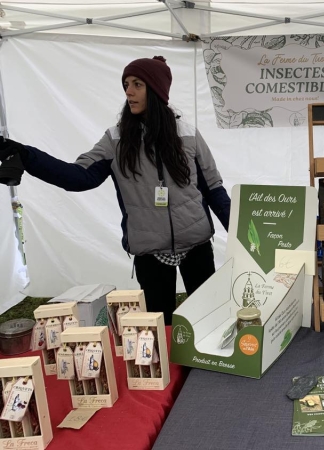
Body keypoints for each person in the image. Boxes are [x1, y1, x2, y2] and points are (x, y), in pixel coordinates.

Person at [0, 56, 230, 325]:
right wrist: (27, 156)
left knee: (210, 319)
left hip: (197, 244)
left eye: (137, 84)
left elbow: (214, 188)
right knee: (160, 325)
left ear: (155, 90)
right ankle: (171, 367)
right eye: (126, 84)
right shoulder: (116, 139)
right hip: (149, 250)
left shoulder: (188, 135)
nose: (128, 92)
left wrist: (243, 239)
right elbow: (79, 178)